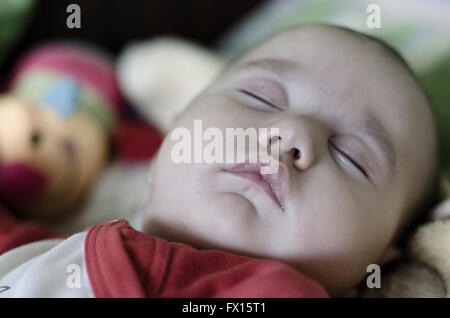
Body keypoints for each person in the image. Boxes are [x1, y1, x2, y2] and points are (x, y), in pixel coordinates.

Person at [0, 24, 439, 298]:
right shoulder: (27, 248)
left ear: (375, 268)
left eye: (353, 157)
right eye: (259, 97)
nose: (293, 133)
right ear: (169, 139)